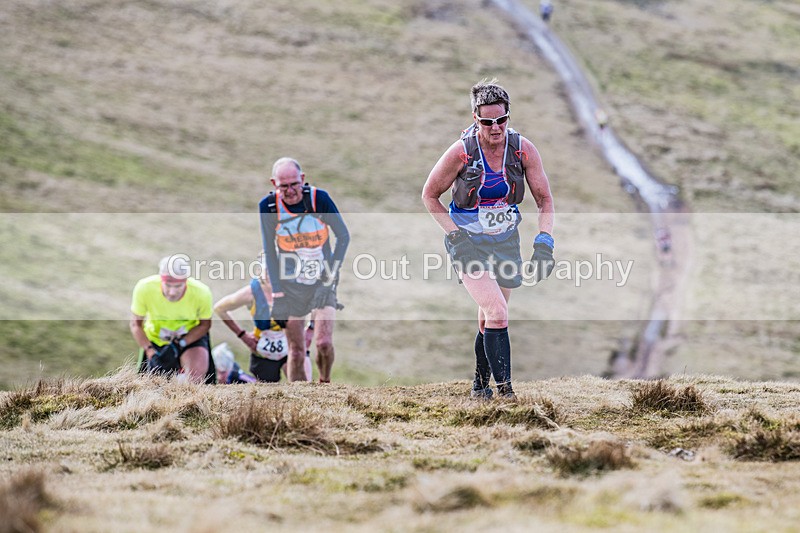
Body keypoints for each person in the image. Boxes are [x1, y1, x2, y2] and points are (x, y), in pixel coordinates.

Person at [421, 79, 556, 400]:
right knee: (497, 311)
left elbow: (545, 199)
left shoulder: (522, 149)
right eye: (486, 122)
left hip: (506, 240)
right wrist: (455, 236)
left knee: (489, 316)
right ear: (475, 118)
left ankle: (480, 386)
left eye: (501, 120)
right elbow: (429, 196)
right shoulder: (461, 153)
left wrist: (544, 243)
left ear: (508, 116)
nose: (495, 128)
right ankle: (506, 393)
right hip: (468, 244)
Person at [259, 157, 350, 382]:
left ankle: (325, 384)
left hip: (323, 281)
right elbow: (269, 251)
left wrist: (328, 280)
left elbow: (343, 236)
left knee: (323, 343)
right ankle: (299, 401)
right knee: (297, 351)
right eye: (283, 186)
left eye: (294, 184)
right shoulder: (269, 207)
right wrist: (278, 295)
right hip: (290, 286)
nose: (290, 191)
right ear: (274, 184)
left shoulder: (320, 199)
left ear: (302, 179)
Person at [213, 264, 313, 382]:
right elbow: (220, 309)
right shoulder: (252, 292)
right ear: (260, 271)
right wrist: (243, 335)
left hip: (293, 347)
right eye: (267, 271)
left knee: (303, 386)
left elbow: (319, 303)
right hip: (263, 350)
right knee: (268, 396)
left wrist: (311, 329)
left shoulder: (296, 289)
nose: (271, 276)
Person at [130, 255, 216, 384]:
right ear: (161, 280)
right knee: (152, 386)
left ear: (186, 281)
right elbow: (135, 325)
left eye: (178, 286)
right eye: (168, 285)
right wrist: (150, 351)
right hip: (156, 341)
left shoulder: (202, 292)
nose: (172, 292)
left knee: (195, 380)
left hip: (189, 338)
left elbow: (205, 325)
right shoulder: (144, 287)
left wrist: (179, 344)